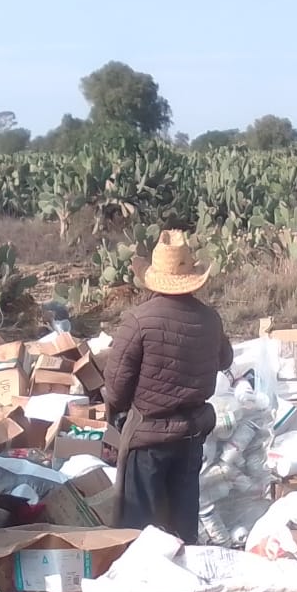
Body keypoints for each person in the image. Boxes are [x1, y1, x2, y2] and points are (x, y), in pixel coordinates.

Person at [103, 230, 232, 544]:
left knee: (138, 523)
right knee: (182, 519)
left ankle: (140, 587)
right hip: (191, 432)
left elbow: (117, 385)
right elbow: (225, 358)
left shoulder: (138, 320)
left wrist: (115, 417)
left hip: (149, 434)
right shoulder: (209, 318)